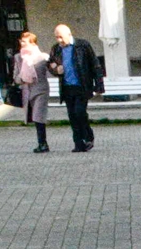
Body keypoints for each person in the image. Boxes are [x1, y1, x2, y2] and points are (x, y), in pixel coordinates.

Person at [48, 24, 102, 153]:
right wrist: (55, 69)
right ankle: (78, 143)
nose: (59, 40)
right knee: (72, 116)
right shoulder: (56, 49)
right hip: (67, 87)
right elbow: (50, 64)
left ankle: (88, 137)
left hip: (82, 85)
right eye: (56, 37)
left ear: (69, 34)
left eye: (61, 37)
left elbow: (95, 65)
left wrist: (99, 85)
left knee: (80, 112)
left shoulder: (83, 45)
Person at [11, 31, 50, 152]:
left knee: (38, 116)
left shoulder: (43, 57)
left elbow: (52, 70)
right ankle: (42, 143)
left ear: (33, 43)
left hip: (40, 90)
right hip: (27, 91)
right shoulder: (18, 57)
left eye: (24, 41)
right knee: (33, 117)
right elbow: (15, 77)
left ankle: (43, 144)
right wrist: (22, 78)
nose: (21, 43)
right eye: (21, 41)